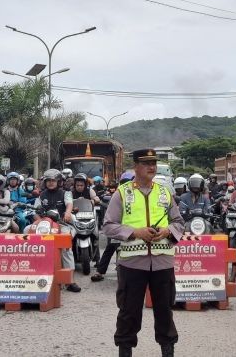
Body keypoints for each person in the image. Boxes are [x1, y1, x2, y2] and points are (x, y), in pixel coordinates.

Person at [103, 149, 184, 357]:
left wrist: (167, 231)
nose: (152, 167)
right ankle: (125, 352)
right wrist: (134, 232)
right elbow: (109, 226)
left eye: (154, 163)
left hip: (162, 263)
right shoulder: (122, 193)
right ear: (135, 166)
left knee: (165, 313)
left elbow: (179, 223)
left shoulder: (165, 193)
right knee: (129, 313)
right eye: (147, 163)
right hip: (132, 264)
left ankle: (168, 352)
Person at [33, 169, 81, 292]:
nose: (50, 183)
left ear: (59, 181)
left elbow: (69, 204)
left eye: (53, 180)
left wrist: (68, 213)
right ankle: (32, 276)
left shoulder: (65, 193)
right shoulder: (41, 195)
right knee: (28, 231)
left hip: (62, 224)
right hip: (45, 226)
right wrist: (37, 220)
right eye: (48, 180)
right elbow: (35, 210)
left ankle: (69, 281)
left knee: (65, 247)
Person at [92, 173, 130, 282]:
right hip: (117, 229)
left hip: (132, 230)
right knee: (110, 247)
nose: (125, 186)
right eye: (123, 183)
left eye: (127, 183)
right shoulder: (116, 196)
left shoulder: (137, 196)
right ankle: (100, 272)